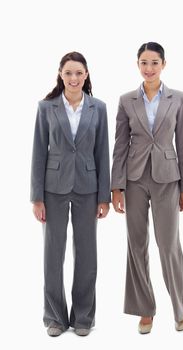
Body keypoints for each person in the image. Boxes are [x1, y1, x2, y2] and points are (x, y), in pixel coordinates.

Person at [111, 42, 183, 334]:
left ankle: (180, 306)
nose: (149, 68)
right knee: (137, 244)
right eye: (144, 63)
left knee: (168, 244)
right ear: (137, 65)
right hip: (133, 179)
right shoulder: (126, 100)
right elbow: (120, 146)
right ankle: (144, 309)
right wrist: (116, 187)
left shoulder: (178, 98)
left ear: (164, 65)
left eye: (154, 63)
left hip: (168, 178)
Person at [30, 51, 110, 337]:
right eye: (68, 73)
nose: (73, 78)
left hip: (88, 188)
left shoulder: (98, 108)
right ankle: (54, 317)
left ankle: (84, 317)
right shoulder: (46, 107)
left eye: (79, 73)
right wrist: (36, 197)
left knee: (87, 255)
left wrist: (105, 196)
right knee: (53, 254)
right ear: (60, 75)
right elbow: (39, 152)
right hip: (53, 189)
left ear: (86, 75)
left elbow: (103, 153)